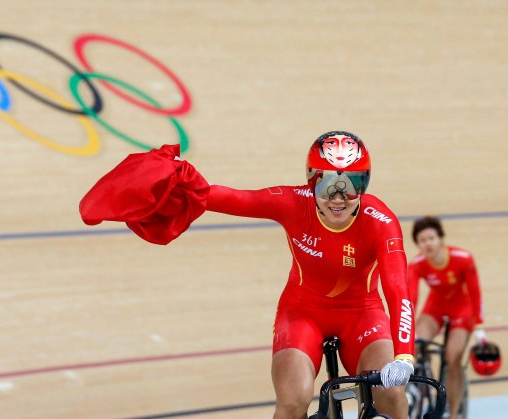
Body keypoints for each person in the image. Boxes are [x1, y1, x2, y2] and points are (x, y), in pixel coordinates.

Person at [80, 131, 416, 419]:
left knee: (393, 398)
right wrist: (177, 180)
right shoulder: (291, 202)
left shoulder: (380, 222)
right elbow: (225, 197)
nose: (339, 198)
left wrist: (403, 355)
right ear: (311, 181)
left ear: (365, 184)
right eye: (328, 184)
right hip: (303, 313)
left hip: (362, 314)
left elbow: (398, 291)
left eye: (351, 184)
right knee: (292, 402)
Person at [408, 216, 485, 417]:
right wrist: (406, 327)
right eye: (422, 240)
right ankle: (415, 384)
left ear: (441, 239)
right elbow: (411, 298)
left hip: (462, 309)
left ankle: (453, 411)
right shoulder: (416, 264)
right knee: (414, 342)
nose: (427, 243)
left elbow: (475, 293)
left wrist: (480, 326)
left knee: (452, 358)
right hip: (436, 307)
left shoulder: (463, 258)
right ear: (418, 245)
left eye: (431, 238)